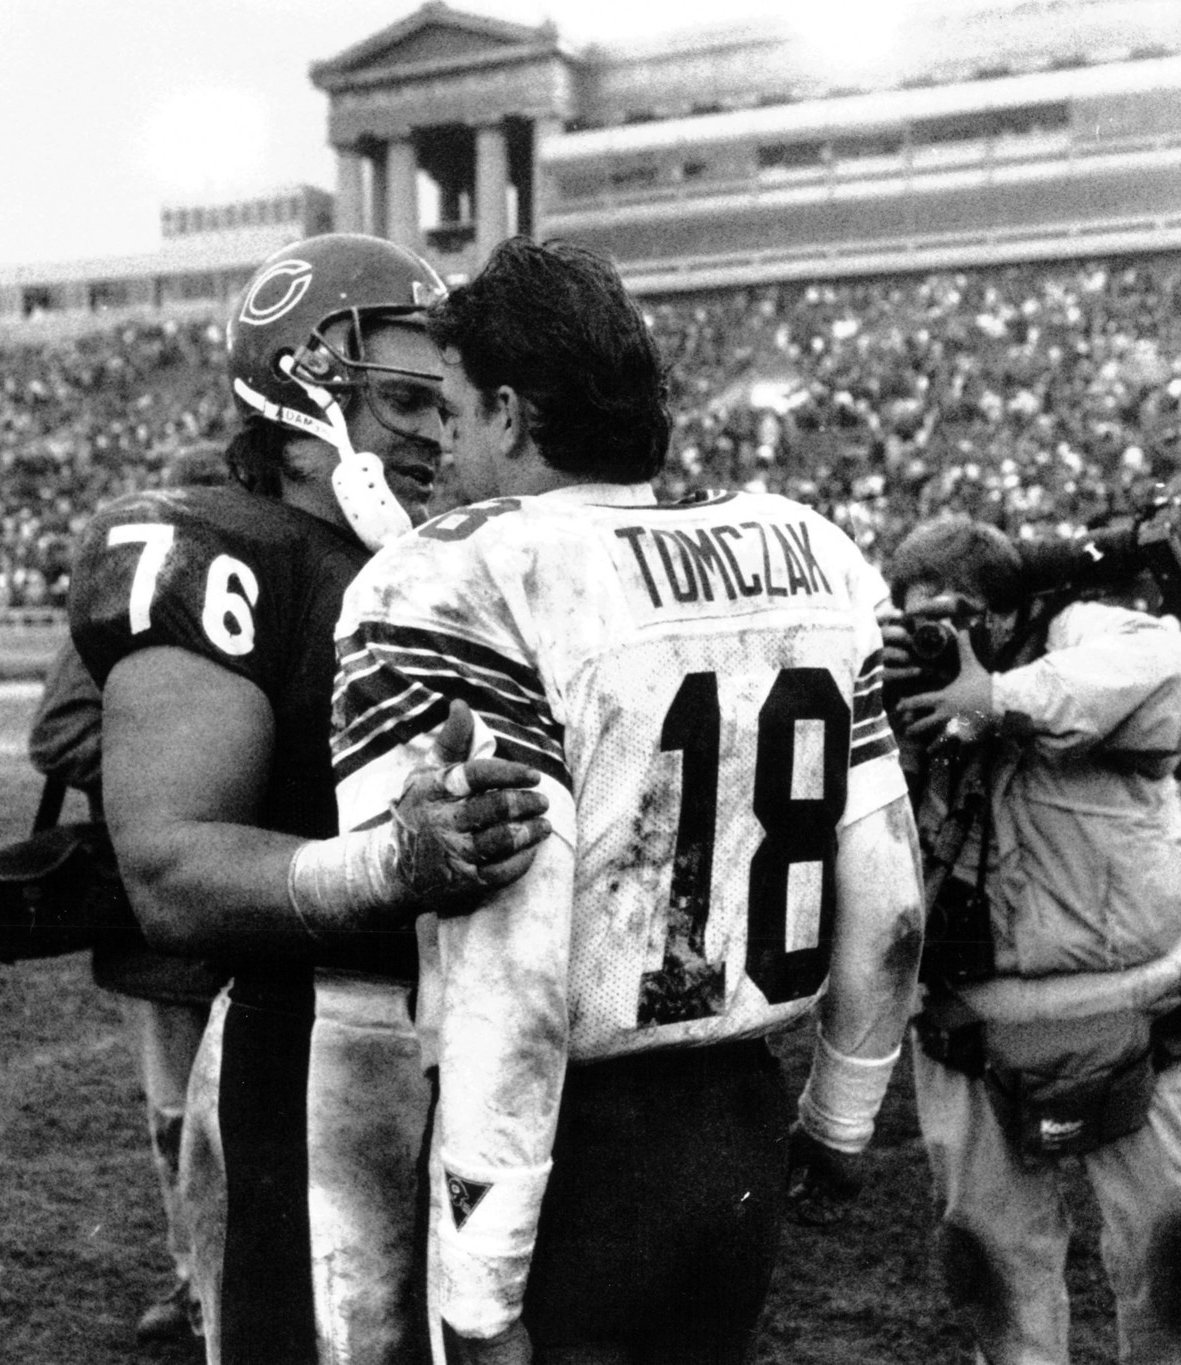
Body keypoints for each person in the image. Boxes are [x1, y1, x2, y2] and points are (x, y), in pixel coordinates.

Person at [332, 236, 926, 1365]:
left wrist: (482, 1291)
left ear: (509, 413)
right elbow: (888, 897)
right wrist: (843, 1113)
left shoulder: (451, 576)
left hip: (567, 1143)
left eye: (452, 410)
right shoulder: (809, 549)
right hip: (737, 1118)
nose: (438, 441)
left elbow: (511, 970)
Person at [70, 234, 553, 1365]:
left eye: (449, 405)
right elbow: (170, 869)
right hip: (334, 1045)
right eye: (401, 399)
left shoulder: (469, 556)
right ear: (298, 400)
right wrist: (389, 864)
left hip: (497, 1044)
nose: (437, 433)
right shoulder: (231, 556)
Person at [887, 515, 1181, 1365]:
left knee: (1178, 1258)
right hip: (975, 1022)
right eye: (918, 616)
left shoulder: (1082, 635)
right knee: (994, 1277)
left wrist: (996, 700)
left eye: (959, 613)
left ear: (1007, 614)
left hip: (1142, 1005)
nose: (942, 633)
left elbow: (1157, 658)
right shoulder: (893, 678)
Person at [28, 444, 234, 1348]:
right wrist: (181, 780)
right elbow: (59, 730)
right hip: (162, 900)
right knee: (178, 1113)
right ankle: (194, 1279)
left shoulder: (285, 587)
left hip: (266, 892)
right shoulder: (120, 606)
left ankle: (252, 1276)